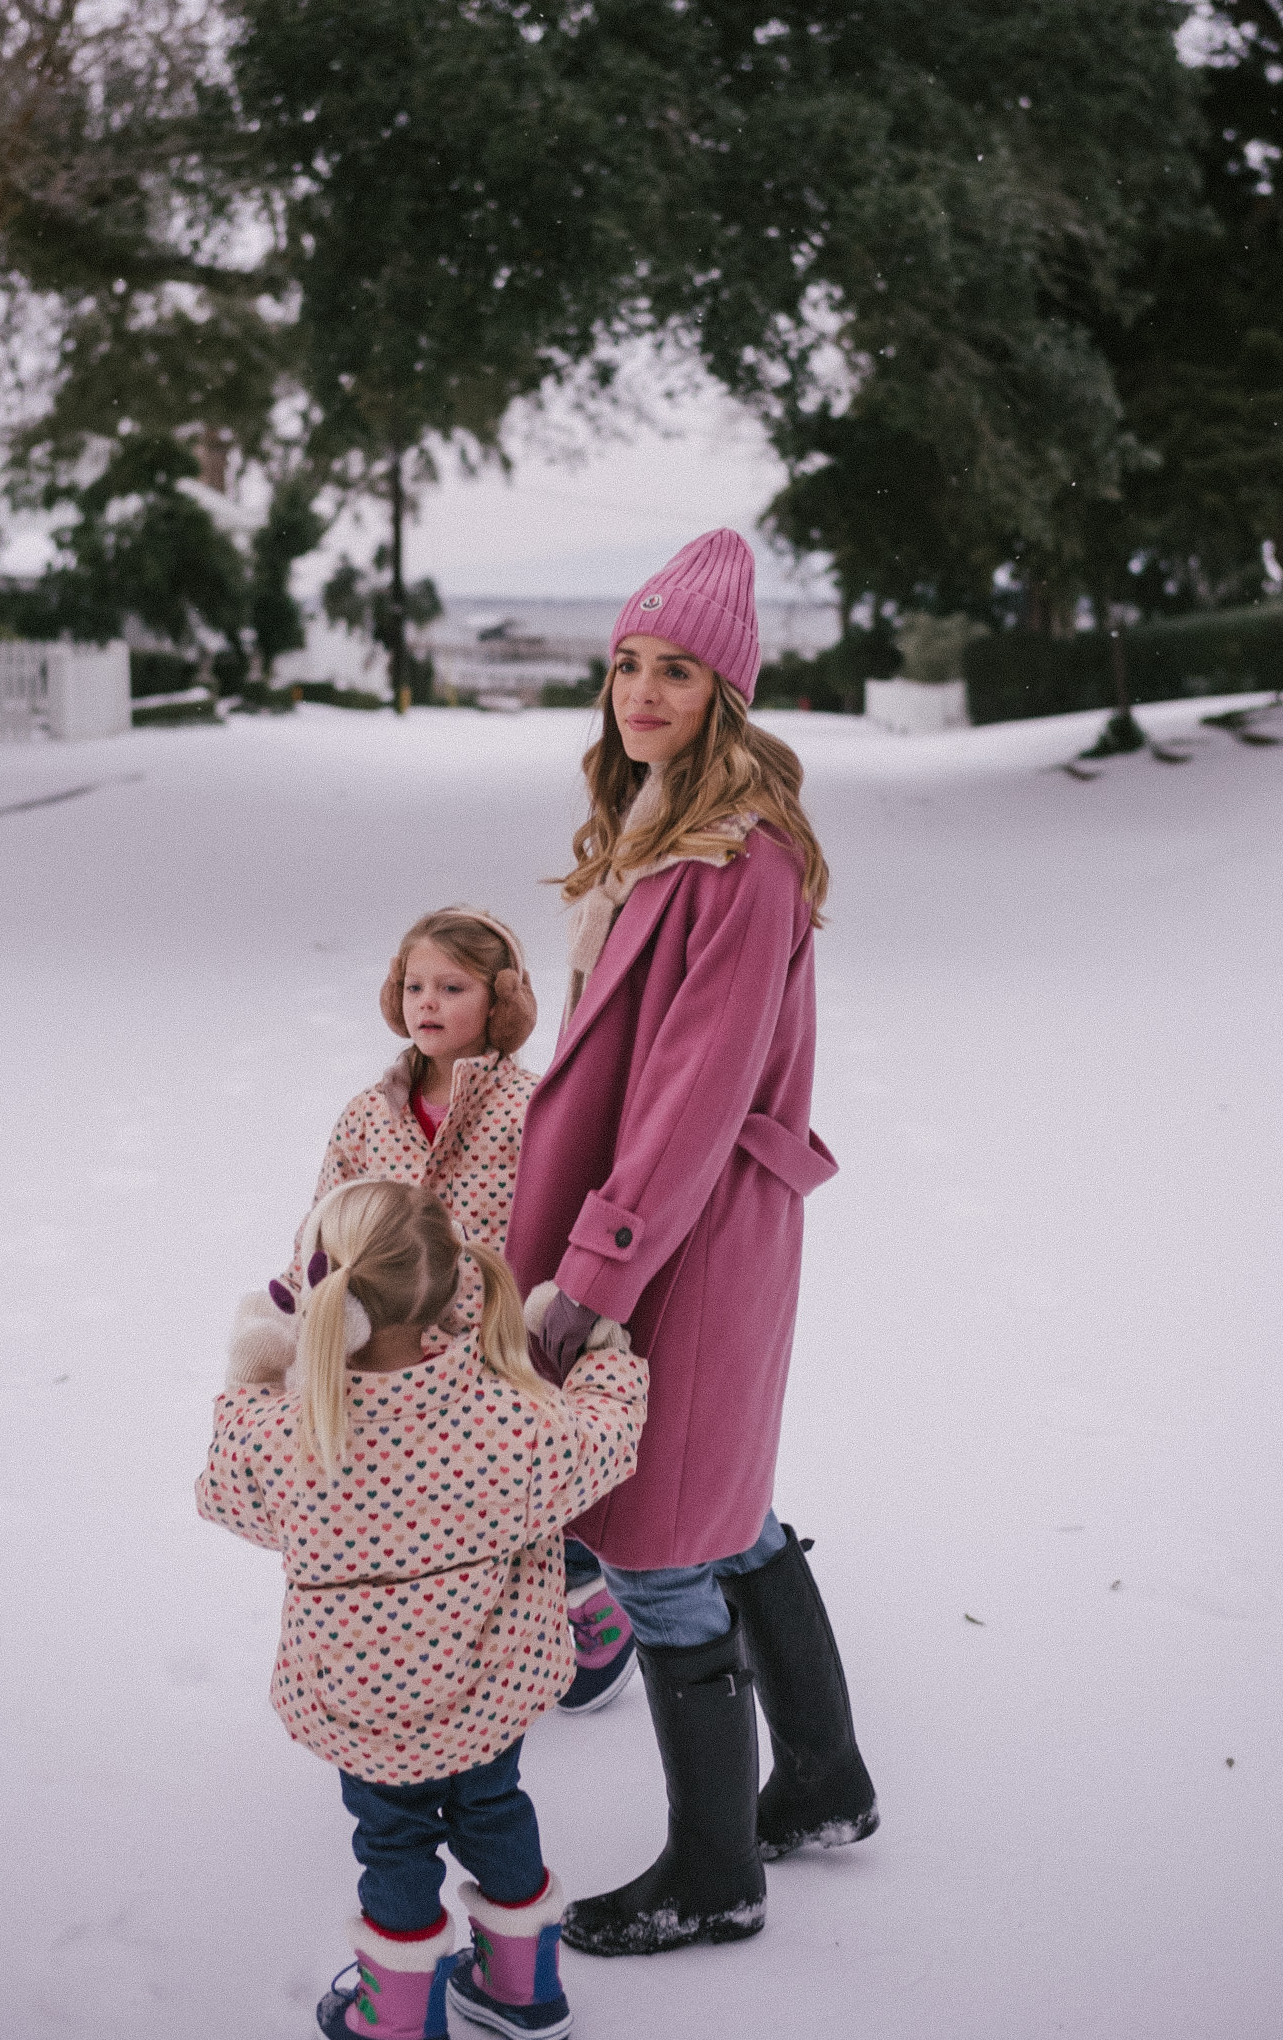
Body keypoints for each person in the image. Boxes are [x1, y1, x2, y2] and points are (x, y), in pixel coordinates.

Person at [506, 528, 879, 1959]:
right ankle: (829, 1785)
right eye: (626, 663)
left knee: (663, 1546)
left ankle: (715, 1873)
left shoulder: (742, 858)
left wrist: (587, 1283)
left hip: (685, 1240)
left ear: (728, 692)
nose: (643, 692)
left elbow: (686, 1100)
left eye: (676, 670)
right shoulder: (658, 824)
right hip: (669, 1226)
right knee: (732, 1512)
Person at [197, 1178, 648, 2040]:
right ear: (452, 1286)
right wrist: (603, 1354)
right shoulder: (512, 1423)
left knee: (393, 1844)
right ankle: (524, 1989)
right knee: (496, 1810)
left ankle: (396, 2017)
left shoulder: (290, 1431)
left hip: (364, 1709)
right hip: (489, 1697)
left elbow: (225, 1494)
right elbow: (607, 1437)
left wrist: (256, 1370)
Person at [227, 904, 641, 1714]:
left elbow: (565, 1215)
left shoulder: (536, 1108)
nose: (428, 1002)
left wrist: (558, 1312)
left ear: (501, 1000)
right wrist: (302, 1302)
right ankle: (451, 1633)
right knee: (418, 1502)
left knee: (518, 1490)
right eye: (415, 985)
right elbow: (325, 1219)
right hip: (381, 1347)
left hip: (494, 1345)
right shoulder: (365, 1115)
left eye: (453, 987)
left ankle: (581, 1595)